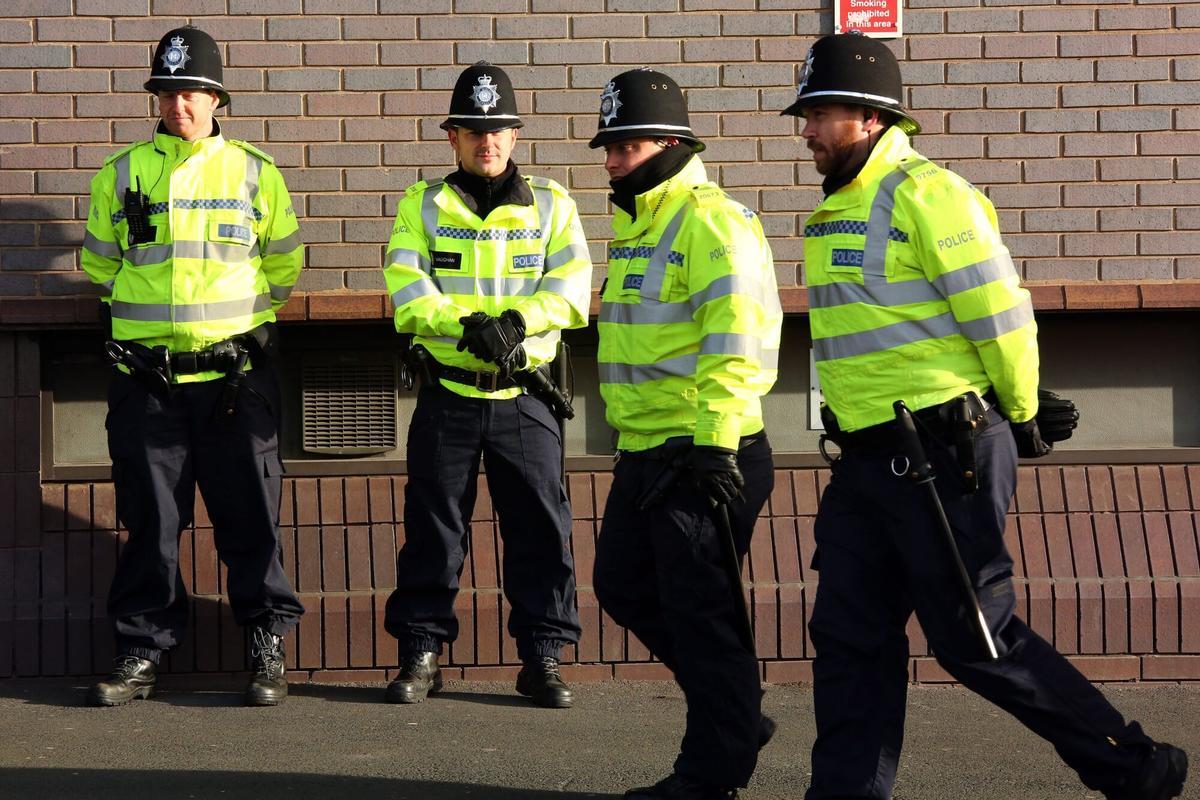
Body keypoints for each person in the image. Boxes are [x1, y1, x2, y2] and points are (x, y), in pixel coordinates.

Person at [782, 32, 1188, 800]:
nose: (806, 130)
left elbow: (1002, 316)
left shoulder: (931, 195)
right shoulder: (833, 211)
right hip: (865, 460)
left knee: (975, 638)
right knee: (849, 641)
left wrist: (1022, 408)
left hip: (939, 452)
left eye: (820, 113)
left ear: (869, 118)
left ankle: (1133, 766)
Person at [80, 26, 305, 707]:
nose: (179, 105)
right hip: (149, 383)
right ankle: (141, 650)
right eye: (168, 92)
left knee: (252, 523)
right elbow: (100, 266)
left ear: (216, 99)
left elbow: (284, 266)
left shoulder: (256, 172)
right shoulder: (119, 174)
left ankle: (266, 648)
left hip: (235, 382)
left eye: (192, 93)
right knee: (149, 524)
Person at [589, 68, 783, 799]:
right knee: (622, 586)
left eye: (625, 145)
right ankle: (735, 711)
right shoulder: (638, 224)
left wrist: (713, 442)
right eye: (607, 147)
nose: (610, 160)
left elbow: (736, 338)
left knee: (703, 622)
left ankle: (711, 775)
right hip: (646, 453)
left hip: (704, 455)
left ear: (670, 143)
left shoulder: (710, 220)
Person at [380, 62, 591, 709]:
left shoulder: (554, 205)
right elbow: (407, 289)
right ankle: (421, 653)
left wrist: (515, 323)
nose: (487, 141)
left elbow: (572, 290)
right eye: (473, 130)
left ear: (516, 135)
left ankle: (542, 657)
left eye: (497, 129)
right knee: (433, 529)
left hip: (523, 394)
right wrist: (465, 323)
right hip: (448, 391)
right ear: (452, 136)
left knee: (537, 527)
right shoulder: (422, 205)